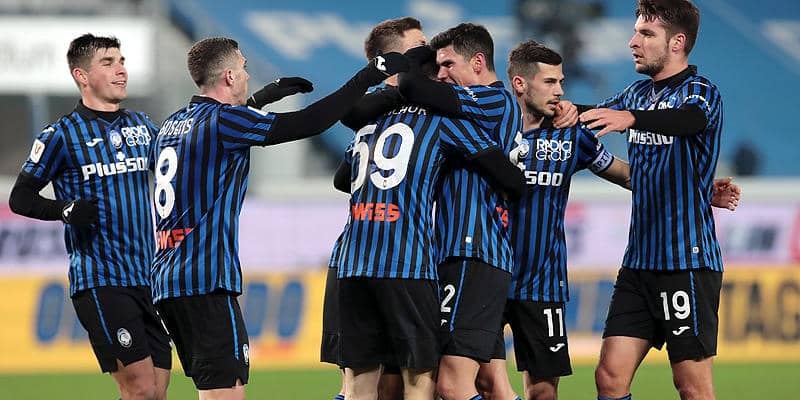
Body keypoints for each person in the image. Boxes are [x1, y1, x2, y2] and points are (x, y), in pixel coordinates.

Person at [476, 40, 741, 400]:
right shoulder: (489, 127)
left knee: (544, 392)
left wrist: (697, 189)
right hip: (487, 274)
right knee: (488, 383)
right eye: (551, 82)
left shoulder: (571, 135)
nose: (560, 91)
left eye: (561, 82)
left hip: (543, 284)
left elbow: (626, 174)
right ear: (520, 84)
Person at [150, 36, 408, 400]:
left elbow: (213, 137)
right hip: (204, 279)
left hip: (168, 279)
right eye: (243, 68)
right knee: (225, 395)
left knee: (212, 390)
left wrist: (260, 100)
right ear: (228, 76)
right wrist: (368, 76)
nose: (246, 75)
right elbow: (309, 123)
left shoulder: (173, 124)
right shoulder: (224, 121)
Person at [334, 19, 527, 399]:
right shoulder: (441, 121)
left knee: (375, 385)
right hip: (419, 260)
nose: (442, 76)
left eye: (447, 65)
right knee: (436, 382)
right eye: (436, 68)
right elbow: (509, 176)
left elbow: (343, 174)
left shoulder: (372, 122)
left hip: (372, 261)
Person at [396, 23, 578, 400]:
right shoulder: (485, 109)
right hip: (469, 253)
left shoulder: (492, 99)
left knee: (451, 382)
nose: (441, 74)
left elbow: (413, 87)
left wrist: (411, 56)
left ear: (478, 63)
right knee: (489, 384)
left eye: (448, 64)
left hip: (472, 251)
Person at [577, 1, 728, 399]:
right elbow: (594, 115)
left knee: (692, 386)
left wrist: (632, 119)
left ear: (677, 42)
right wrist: (550, 107)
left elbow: (689, 121)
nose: (633, 42)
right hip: (639, 263)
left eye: (646, 34)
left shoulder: (701, 92)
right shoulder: (636, 93)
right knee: (609, 376)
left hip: (686, 262)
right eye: (635, 32)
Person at [8, 34, 172, 400]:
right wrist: (65, 210)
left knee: (158, 393)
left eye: (122, 61)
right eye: (108, 63)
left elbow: (178, 166)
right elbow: (20, 197)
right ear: (81, 76)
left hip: (151, 278)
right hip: (102, 279)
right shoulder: (61, 135)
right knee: (141, 389)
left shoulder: (143, 126)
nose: (121, 70)